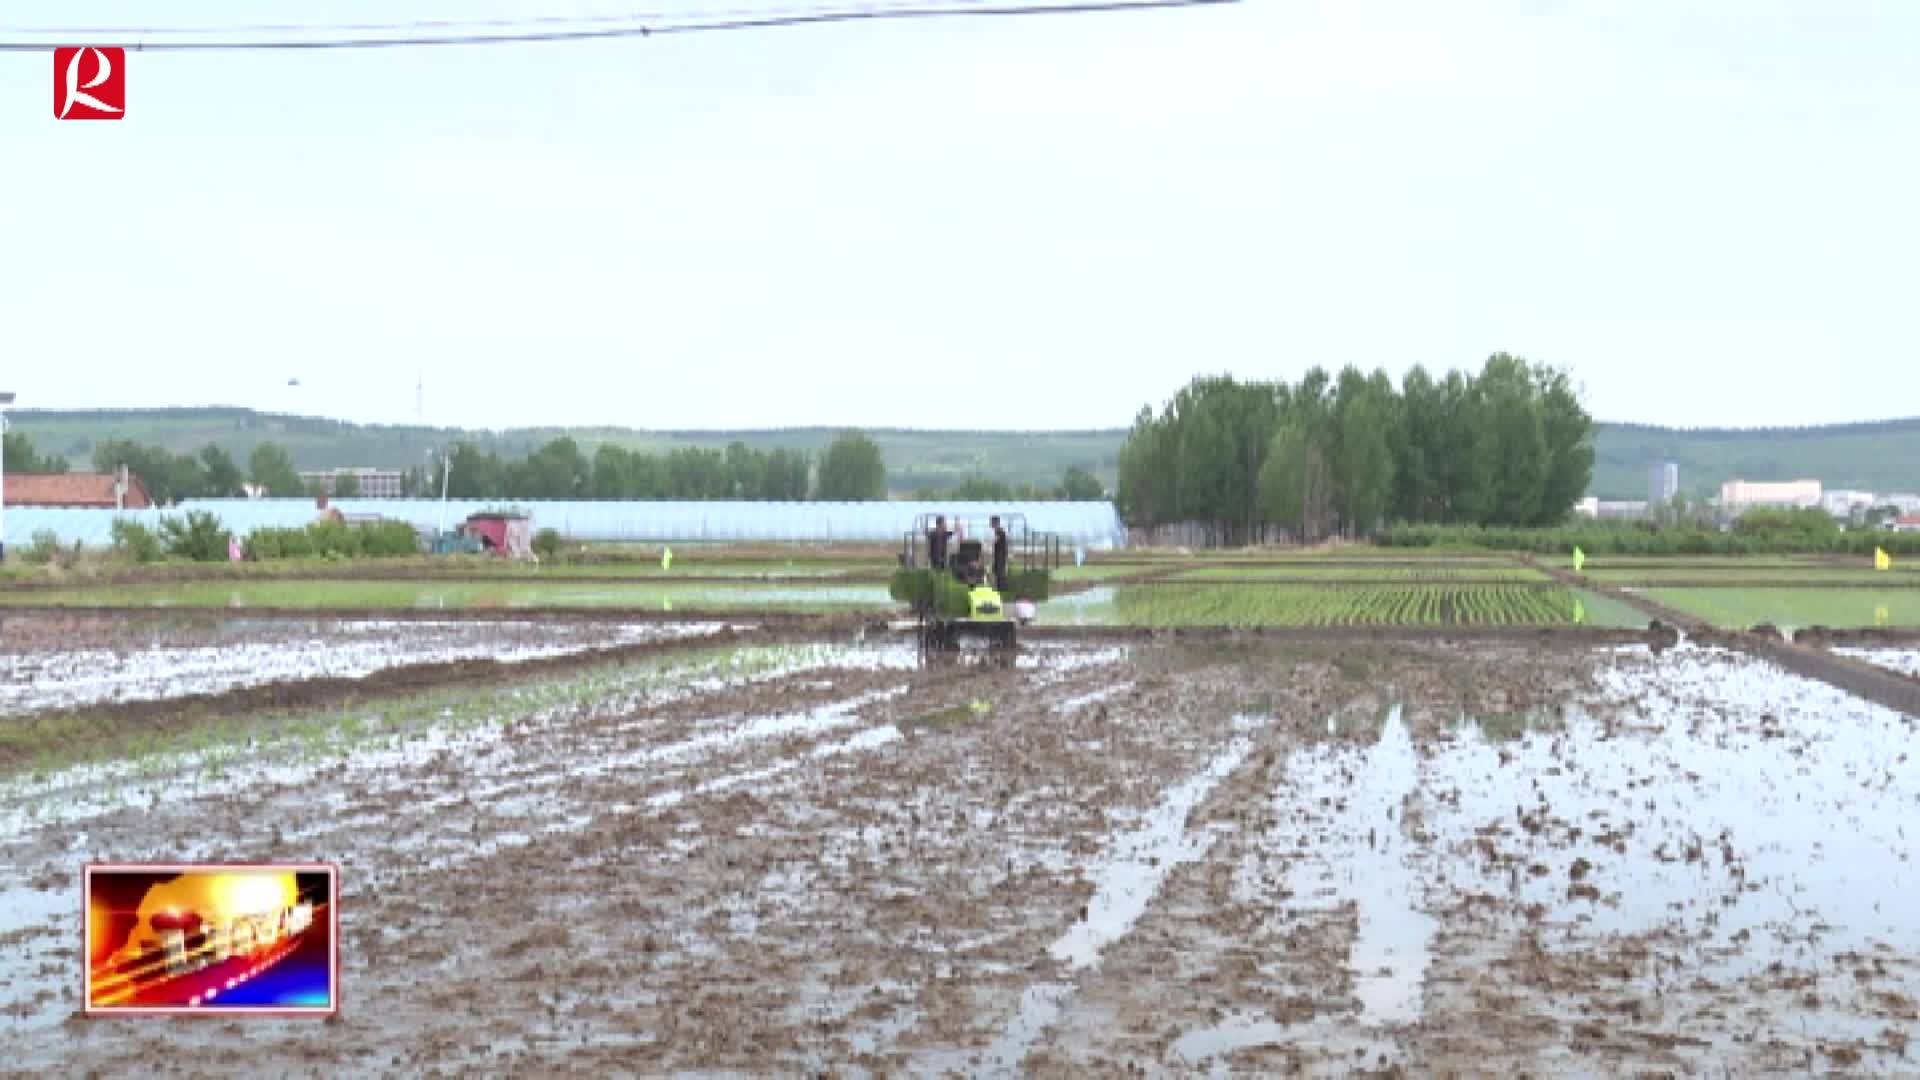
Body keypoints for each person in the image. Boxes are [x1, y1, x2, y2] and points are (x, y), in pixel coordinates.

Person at [990, 515, 1009, 593]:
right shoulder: (997, 531)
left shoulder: (1000, 531)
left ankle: (1002, 589)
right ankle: (998, 589)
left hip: (1001, 556)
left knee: (1000, 573)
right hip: (998, 555)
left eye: (992, 522)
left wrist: (988, 543)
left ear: (996, 523)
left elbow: (995, 540)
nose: (990, 524)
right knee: (996, 572)